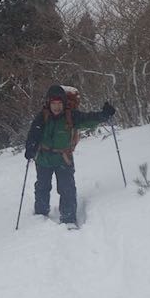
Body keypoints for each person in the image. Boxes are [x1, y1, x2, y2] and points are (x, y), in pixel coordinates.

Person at [24, 85, 116, 226]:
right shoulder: (42, 117)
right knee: (42, 186)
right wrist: (30, 147)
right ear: (49, 103)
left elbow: (88, 119)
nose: (56, 107)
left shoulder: (71, 116)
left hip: (63, 158)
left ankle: (68, 219)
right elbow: (33, 133)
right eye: (53, 103)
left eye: (59, 103)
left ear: (64, 103)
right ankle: (41, 215)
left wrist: (103, 115)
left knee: (67, 188)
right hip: (43, 158)